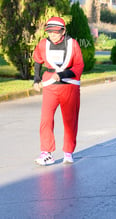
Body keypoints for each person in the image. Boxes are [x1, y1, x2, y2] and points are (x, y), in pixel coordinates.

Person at [33, 17, 84, 165]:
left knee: (70, 120)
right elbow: (37, 59)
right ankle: (46, 153)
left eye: (56, 32)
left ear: (63, 31)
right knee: (46, 119)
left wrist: (61, 75)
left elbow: (79, 66)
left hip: (69, 85)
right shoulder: (44, 44)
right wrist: (36, 79)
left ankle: (68, 152)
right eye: (50, 32)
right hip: (50, 86)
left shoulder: (73, 44)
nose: (53, 35)